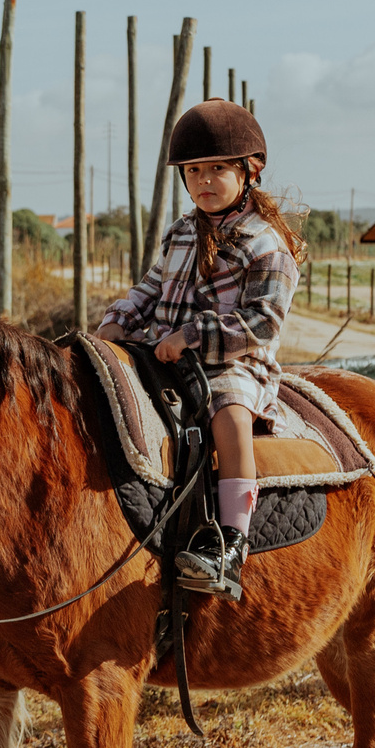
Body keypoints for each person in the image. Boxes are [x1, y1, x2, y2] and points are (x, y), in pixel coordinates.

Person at [94, 100, 301, 599]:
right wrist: (116, 322)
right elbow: (150, 288)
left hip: (235, 361)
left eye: (217, 170)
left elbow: (262, 321)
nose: (204, 181)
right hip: (164, 351)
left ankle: (231, 544)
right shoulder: (182, 232)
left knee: (228, 415)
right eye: (193, 171)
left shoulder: (266, 243)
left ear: (249, 172)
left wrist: (190, 336)